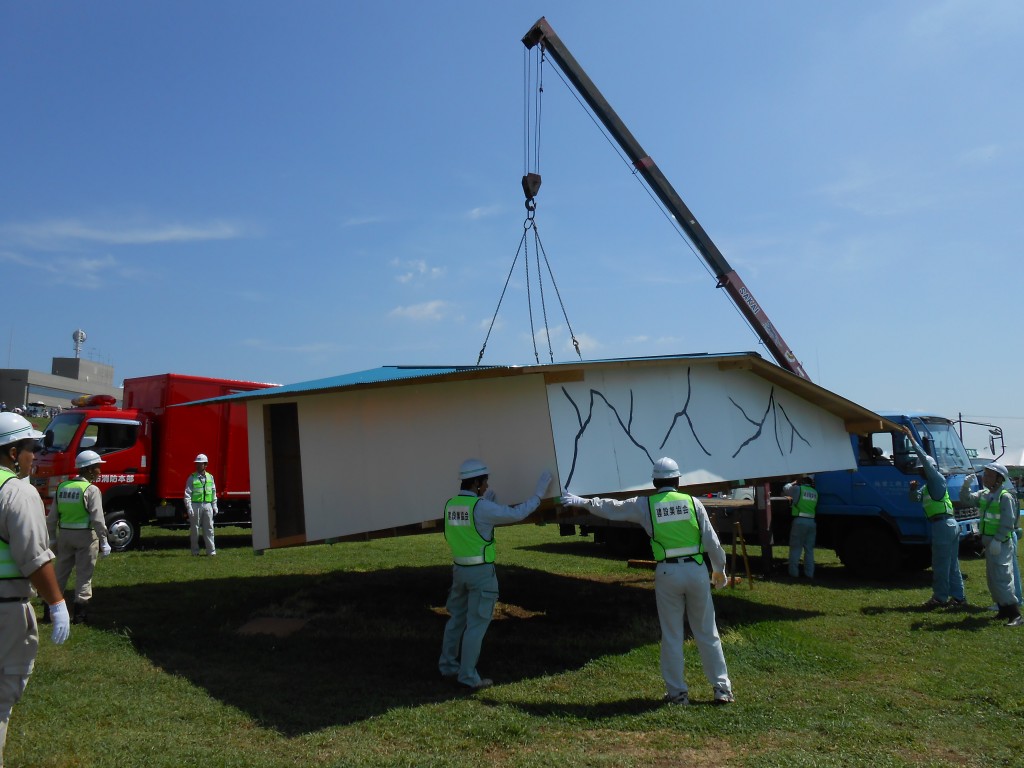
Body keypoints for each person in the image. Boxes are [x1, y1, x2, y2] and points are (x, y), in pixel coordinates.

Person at [561, 457, 735, 705]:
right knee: (708, 632)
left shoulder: (645, 505)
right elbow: (712, 542)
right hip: (696, 571)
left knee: (672, 634)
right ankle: (722, 689)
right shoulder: (693, 503)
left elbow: (612, 507)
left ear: (654, 481)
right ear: (677, 480)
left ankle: (677, 694)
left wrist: (580, 501)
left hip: (667, 573)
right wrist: (719, 570)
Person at [438, 459, 552, 691]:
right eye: (485, 482)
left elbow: (461, 531)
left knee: (456, 620)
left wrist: (484, 506)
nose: (488, 486)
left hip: (459, 571)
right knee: (476, 625)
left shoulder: (451, 505)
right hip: (481, 574)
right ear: (477, 483)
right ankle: (468, 676)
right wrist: (538, 495)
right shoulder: (482, 508)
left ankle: (448, 665)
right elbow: (517, 513)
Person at [0, 412, 70, 767]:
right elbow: (33, 556)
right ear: (14, 453)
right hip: (6, 608)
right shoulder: (17, 492)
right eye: (31, 449)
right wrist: (56, 602)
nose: (35, 457)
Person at [902, 427, 966, 609]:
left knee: (940, 564)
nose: (920, 472)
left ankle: (940, 597)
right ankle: (959, 598)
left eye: (921, 470)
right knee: (952, 564)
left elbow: (926, 461)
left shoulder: (936, 479)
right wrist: (913, 489)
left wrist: (911, 439)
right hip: (948, 525)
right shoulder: (928, 486)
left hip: (943, 526)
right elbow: (914, 499)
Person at [46, 450, 111, 624]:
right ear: (89, 469)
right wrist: (104, 542)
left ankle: (49, 611)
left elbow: (52, 518)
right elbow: (98, 519)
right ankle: (79, 616)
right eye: (97, 467)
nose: (100, 471)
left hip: (65, 535)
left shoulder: (62, 487)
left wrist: (52, 538)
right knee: (84, 576)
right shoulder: (91, 490)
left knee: (59, 574)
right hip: (86, 538)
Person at [960, 462, 1021, 626]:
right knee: (993, 578)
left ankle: (1015, 615)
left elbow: (1008, 521)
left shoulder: (1004, 497)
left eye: (989, 475)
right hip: (990, 541)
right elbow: (966, 500)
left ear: (999, 479)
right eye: (985, 474)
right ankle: (1003, 610)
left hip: (1000, 542)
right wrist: (965, 486)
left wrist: (998, 540)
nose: (984, 477)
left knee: (1002, 577)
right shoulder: (985, 494)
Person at [783, 475, 817, 580]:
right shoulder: (815, 492)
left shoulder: (798, 489)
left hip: (800, 521)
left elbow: (785, 488)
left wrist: (793, 482)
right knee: (809, 549)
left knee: (796, 548)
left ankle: (794, 573)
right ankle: (809, 574)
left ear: (801, 481)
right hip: (811, 522)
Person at [184, 454, 218, 556]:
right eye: (197, 464)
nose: (198, 466)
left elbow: (213, 492)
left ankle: (211, 551)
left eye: (200, 464)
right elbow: (187, 493)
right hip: (196, 505)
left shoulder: (210, 477)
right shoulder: (192, 478)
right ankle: (195, 551)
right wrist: (189, 507)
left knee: (209, 529)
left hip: (207, 505)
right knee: (195, 530)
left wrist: (214, 505)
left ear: (205, 465)